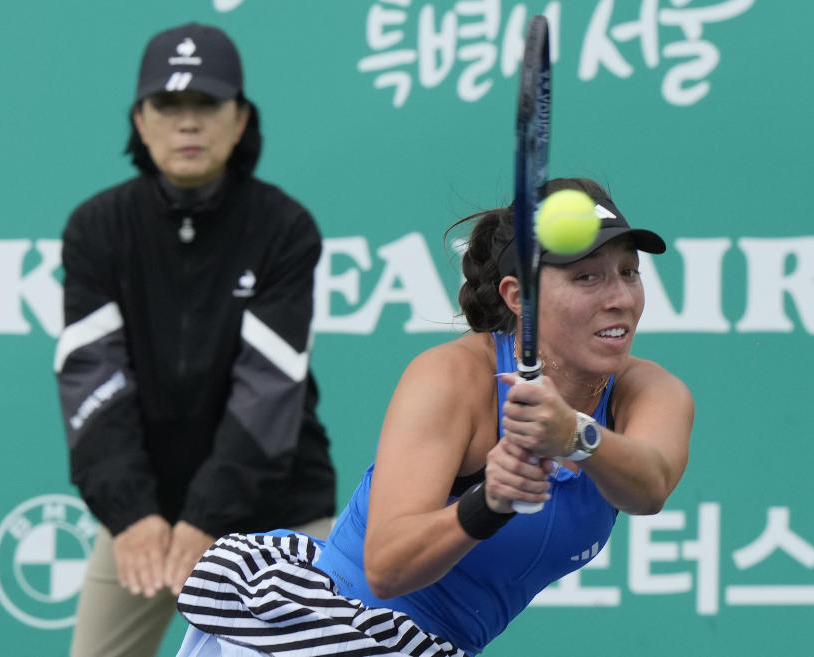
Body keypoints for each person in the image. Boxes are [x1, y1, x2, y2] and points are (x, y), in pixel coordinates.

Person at [173, 177, 693, 657]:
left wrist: (575, 435)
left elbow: (650, 487)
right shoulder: (452, 379)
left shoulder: (647, 391)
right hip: (322, 633)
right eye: (587, 278)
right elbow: (386, 566)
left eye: (629, 273)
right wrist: (487, 502)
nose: (620, 299)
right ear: (519, 297)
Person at [54, 22, 336, 657]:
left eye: (206, 105)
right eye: (169, 105)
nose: (187, 124)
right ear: (141, 120)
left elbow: (267, 393)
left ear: (239, 121)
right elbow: (91, 382)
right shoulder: (96, 229)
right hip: (145, 517)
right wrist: (131, 516)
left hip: (280, 515)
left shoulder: (283, 228)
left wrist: (208, 518)